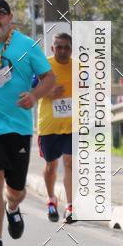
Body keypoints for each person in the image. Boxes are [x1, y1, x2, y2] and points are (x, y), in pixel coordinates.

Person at [0, 0, 55, 246]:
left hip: (18, 126)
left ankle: (13, 207)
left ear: (10, 18)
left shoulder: (27, 46)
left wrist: (34, 95)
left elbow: (49, 78)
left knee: (16, 189)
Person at [36, 31, 74, 223]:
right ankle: (51, 199)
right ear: (52, 48)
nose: (62, 50)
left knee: (69, 162)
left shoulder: (79, 67)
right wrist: (48, 92)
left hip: (72, 125)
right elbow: (30, 90)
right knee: (51, 166)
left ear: (71, 49)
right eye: (58, 47)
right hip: (49, 126)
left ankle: (70, 205)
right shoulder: (44, 67)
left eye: (66, 47)